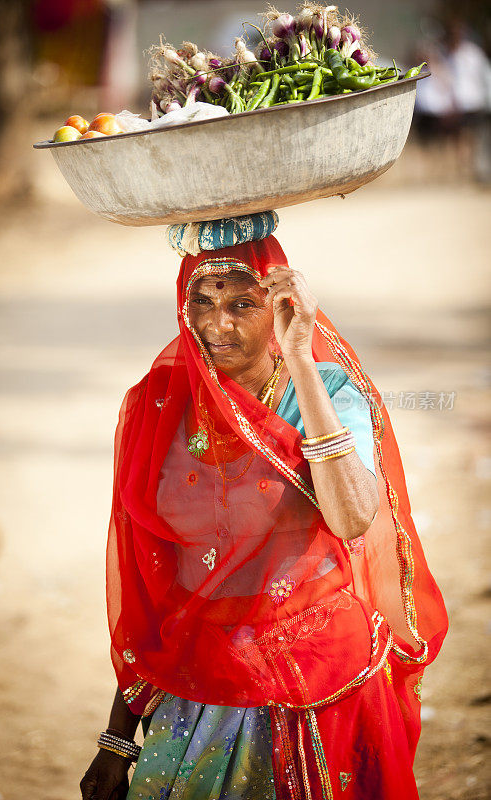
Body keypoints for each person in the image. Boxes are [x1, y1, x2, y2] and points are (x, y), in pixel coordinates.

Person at [80, 214, 448, 800]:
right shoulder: (159, 407)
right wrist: (117, 738)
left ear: (279, 305)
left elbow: (354, 518)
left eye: (243, 305)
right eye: (200, 301)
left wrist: (300, 359)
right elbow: (156, 593)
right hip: (198, 687)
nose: (215, 325)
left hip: (319, 684)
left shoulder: (326, 390)